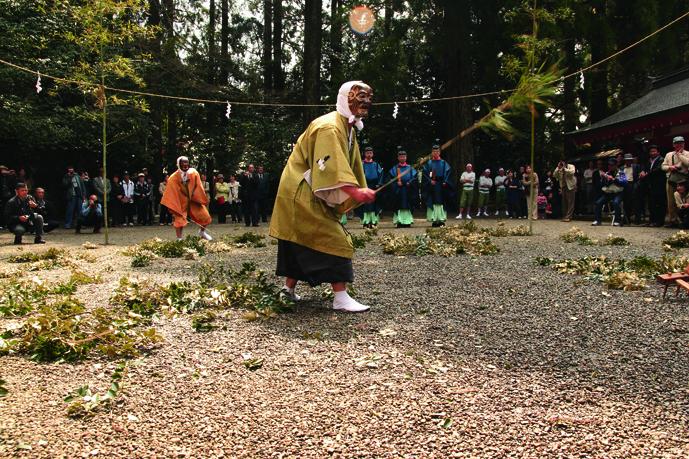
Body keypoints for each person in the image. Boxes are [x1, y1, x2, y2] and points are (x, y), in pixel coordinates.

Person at [269, 80, 375, 313]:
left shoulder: (347, 127)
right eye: (360, 97)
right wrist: (355, 191)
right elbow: (328, 165)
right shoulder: (330, 127)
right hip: (301, 188)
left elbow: (348, 164)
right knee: (334, 237)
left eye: (368, 97)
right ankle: (340, 296)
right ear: (346, 97)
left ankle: (288, 289)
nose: (366, 102)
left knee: (296, 237)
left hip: (306, 185)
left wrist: (355, 189)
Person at [161, 156, 212, 241]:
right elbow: (171, 191)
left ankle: (202, 232)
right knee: (179, 219)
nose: (185, 164)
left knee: (205, 216)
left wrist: (196, 196)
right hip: (181, 201)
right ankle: (179, 238)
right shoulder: (173, 177)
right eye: (183, 163)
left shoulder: (194, 173)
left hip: (193, 199)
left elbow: (198, 186)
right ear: (178, 164)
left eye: (186, 162)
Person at [662, 136, 689, 227]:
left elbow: (688, 163)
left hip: (683, 180)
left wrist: (680, 155)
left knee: (682, 200)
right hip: (671, 178)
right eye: (677, 143)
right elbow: (663, 166)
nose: (679, 145)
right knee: (671, 201)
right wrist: (670, 167)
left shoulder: (687, 153)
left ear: (684, 143)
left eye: (681, 143)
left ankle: (683, 220)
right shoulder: (669, 154)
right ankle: (673, 220)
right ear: (673, 144)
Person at [388, 147, 418, 228]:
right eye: (400, 156)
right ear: (398, 158)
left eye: (404, 156)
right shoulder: (394, 169)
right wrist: (397, 183)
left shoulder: (410, 168)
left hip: (408, 190)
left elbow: (415, 178)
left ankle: (407, 221)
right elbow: (391, 180)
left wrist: (409, 183)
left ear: (406, 157)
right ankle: (399, 221)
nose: (402, 158)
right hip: (398, 191)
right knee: (399, 205)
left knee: (407, 205)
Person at [592, 158, 627, 226]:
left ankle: (617, 220)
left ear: (616, 165)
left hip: (618, 193)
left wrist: (613, 179)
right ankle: (597, 220)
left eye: (612, 165)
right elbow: (603, 185)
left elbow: (624, 183)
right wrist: (605, 179)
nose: (610, 167)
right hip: (608, 193)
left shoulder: (621, 173)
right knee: (598, 202)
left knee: (616, 202)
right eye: (609, 165)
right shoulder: (607, 173)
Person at [640, 145, 666, 227]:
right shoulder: (649, 161)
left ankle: (659, 221)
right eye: (651, 151)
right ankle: (652, 221)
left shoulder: (661, 160)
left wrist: (646, 174)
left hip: (659, 184)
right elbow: (645, 168)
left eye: (654, 151)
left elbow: (658, 170)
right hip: (650, 185)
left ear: (658, 152)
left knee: (660, 204)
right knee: (651, 204)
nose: (652, 153)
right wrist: (643, 172)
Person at [360, 146, 384, 228]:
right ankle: (366, 221)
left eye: (370, 153)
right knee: (366, 205)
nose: (369, 154)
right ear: (364, 154)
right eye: (367, 153)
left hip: (374, 187)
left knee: (374, 204)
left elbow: (381, 175)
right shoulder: (361, 164)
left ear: (372, 154)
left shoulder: (376, 164)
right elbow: (359, 175)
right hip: (365, 186)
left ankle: (373, 221)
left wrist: (379, 184)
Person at [621, 153, 642, 224]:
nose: (628, 161)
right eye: (627, 160)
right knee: (626, 203)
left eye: (629, 160)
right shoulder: (621, 168)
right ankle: (627, 219)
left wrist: (637, 185)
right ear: (625, 161)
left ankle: (637, 219)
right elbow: (621, 178)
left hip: (633, 184)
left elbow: (640, 177)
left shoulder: (636, 166)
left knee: (636, 203)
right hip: (625, 185)